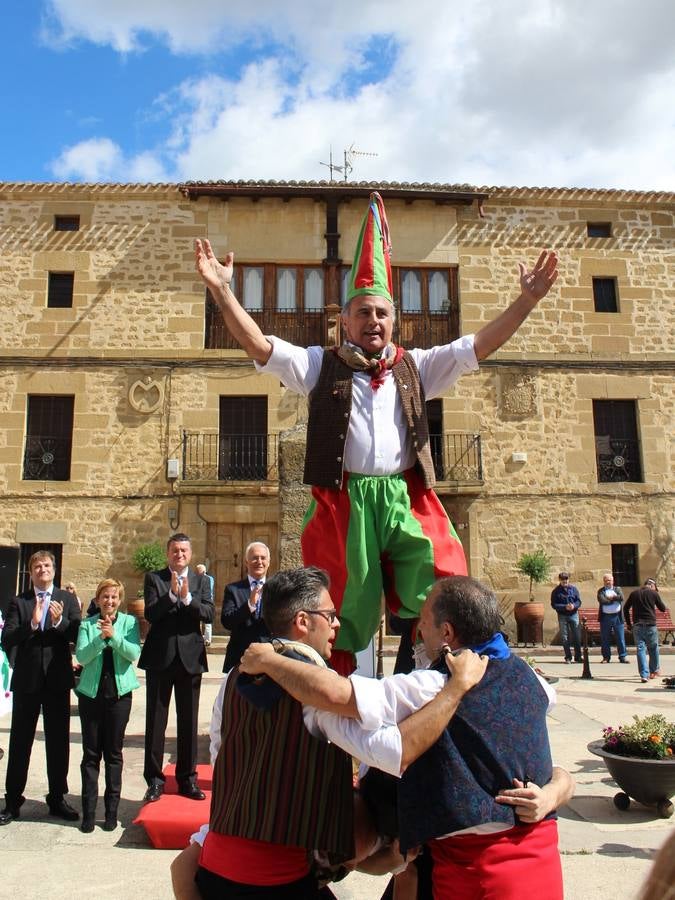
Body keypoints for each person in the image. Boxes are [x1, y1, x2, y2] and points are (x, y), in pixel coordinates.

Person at [195, 196, 559, 673]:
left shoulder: (418, 366)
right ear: (345, 320)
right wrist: (223, 293)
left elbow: (479, 345)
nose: (373, 321)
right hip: (344, 501)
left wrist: (527, 300)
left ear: (394, 320)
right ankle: (333, 700)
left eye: (381, 314)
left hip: (406, 494)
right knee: (340, 609)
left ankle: (456, 677)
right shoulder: (318, 365)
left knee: (446, 581)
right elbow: (259, 345)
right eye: (363, 313)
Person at [241, 575, 573, 900]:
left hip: (481, 874)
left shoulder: (432, 685)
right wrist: (555, 790)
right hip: (538, 864)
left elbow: (339, 694)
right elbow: (547, 763)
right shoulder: (530, 678)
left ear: (446, 632)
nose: (418, 629)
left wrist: (270, 659)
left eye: (424, 620)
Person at [192, 565, 487, 899]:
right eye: (329, 615)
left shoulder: (233, 677)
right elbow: (393, 751)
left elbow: (221, 759)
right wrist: (455, 685)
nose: (336, 623)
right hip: (276, 880)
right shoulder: (313, 692)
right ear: (302, 621)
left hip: (216, 868)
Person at [0, 550, 81, 825]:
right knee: (20, 740)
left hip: (57, 681)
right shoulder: (19, 602)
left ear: (54, 570)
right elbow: (7, 638)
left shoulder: (67, 599)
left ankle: (57, 797)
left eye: (46, 565)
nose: (42, 570)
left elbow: (78, 635)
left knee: (58, 742)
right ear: (31, 571)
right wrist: (32, 623)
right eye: (37, 566)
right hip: (27, 681)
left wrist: (59, 622)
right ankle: (12, 800)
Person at [138, 532, 214, 803]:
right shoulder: (154, 579)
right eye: (175, 550)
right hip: (160, 657)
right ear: (168, 553)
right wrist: (171, 595)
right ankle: (155, 780)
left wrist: (187, 600)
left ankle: (187, 779)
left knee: (189, 721)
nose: (179, 555)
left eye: (184, 550)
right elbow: (150, 614)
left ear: (190, 554)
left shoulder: (201, 581)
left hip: (190, 658)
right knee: (156, 722)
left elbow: (208, 613)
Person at [75, 578, 141, 832]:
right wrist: (101, 638)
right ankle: (89, 813)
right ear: (98, 599)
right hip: (91, 695)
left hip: (119, 696)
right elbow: (81, 656)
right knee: (91, 754)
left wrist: (113, 637)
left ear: (119, 600)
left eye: (114, 597)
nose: (109, 602)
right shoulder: (87, 625)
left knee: (113, 754)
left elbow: (133, 654)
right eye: (105, 597)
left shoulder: (129, 622)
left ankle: (111, 813)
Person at [220, 541, 271, 672]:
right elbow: (227, 621)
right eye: (254, 558)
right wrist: (250, 605)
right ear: (246, 562)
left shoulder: (276, 589)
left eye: (263, 558)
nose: (259, 561)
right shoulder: (233, 589)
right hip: (239, 658)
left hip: (270, 657)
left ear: (268, 562)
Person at [624, 578, 666, 683]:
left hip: (637, 625)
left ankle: (644, 674)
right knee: (653, 648)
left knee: (641, 649)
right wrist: (656, 596)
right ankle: (654, 671)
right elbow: (662, 608)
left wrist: (629, 624)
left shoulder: (634, 593)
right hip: (650, 624)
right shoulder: (653, 593)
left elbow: (625, 608)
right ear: (652, 586)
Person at [550, 571, 582, 663]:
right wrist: (564, 607)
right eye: (563, 579)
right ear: (560, 580)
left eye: (566, 579)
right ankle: (568, 657)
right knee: (565, 637)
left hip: (573, 615)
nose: (565, 581)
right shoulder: (556, 591)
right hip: (562, 615)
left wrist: (573, 606)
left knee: (577, 636)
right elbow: (554, 604)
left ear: (569, 579)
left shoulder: (574, 589)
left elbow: (579, 602)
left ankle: (578, 656)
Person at [597, 572, 629, 664]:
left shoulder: (617, 589)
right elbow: (602, 601)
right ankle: (606, 657)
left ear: (613, 581)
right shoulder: (601, 591)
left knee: (620, 637)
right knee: (605, 638)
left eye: (610, 580)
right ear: (603, 581)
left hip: (617, 617)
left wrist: (612, 598)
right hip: (605, 617)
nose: (608, 582)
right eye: (606, 580)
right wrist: (614, 599)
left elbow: (621, 597)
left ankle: (622, 656)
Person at [196, 564, 214, 647]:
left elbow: (208, 590)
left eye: (198, 570)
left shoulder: (208, 579)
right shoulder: (196, 578)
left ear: (203, 571)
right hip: (199, 600)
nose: (196, 572)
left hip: (207, 600)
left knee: (207, 621)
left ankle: (207, 639)